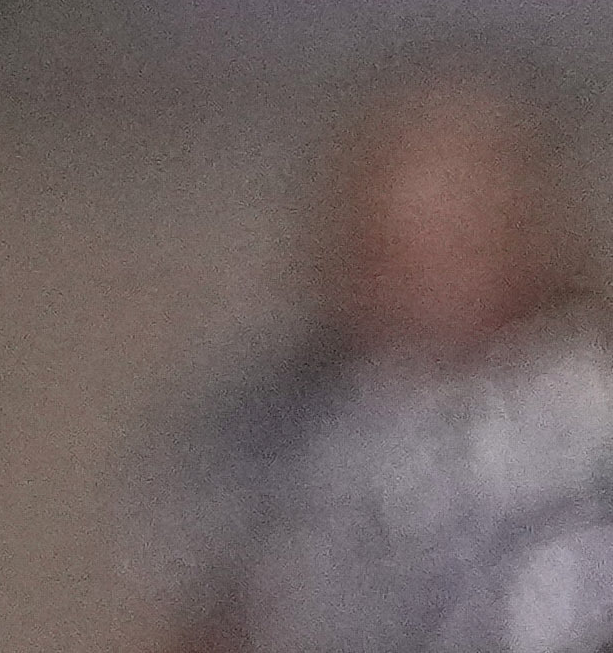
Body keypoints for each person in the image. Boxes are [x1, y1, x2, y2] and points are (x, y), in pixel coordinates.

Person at [147, 55, 613, 653]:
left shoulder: (590, 419)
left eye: (462, 236)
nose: (431, 271)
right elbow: (206, 615)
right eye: (401, 239)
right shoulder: (272, 418)